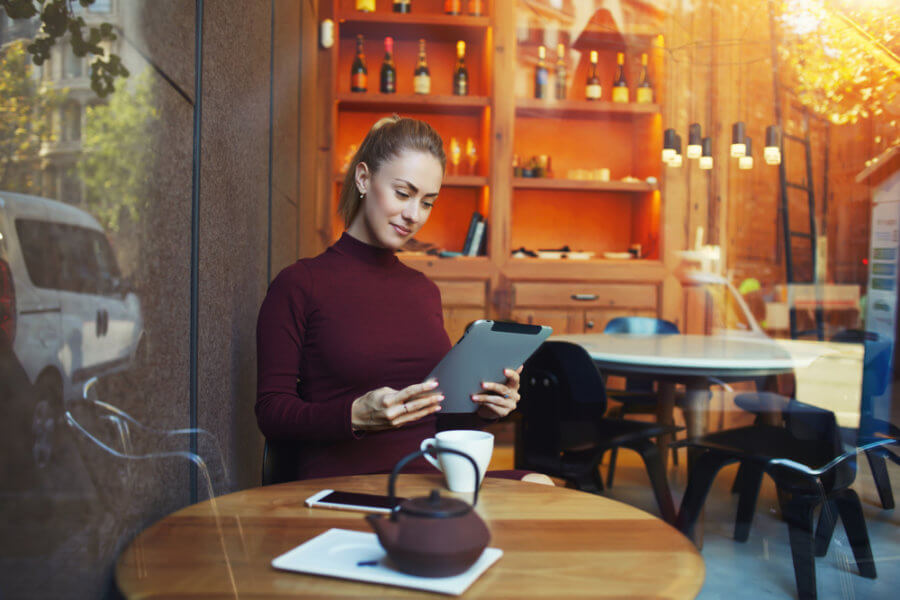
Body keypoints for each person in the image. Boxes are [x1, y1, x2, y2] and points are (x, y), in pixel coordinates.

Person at [255, 116, 534, 481]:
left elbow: (438, 415)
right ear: (363, 178)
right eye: (403, 193)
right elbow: (271, 413)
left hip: (430, 478)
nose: (413, 215)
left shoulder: (423, 291)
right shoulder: (299, 284)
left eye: (427, 202)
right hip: (345, 484)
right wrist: (355, 415)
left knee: (538, 483)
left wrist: (486, 409)